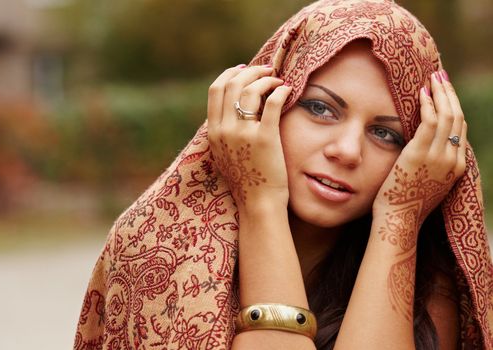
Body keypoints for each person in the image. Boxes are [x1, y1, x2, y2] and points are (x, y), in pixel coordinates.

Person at [74, 0, 493, 349]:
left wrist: (401, 216)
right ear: (266, 100)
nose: (346, 151)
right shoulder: (158, 245)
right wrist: (260, 200)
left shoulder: (425, 293)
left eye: (385, 134)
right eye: (320, 108)